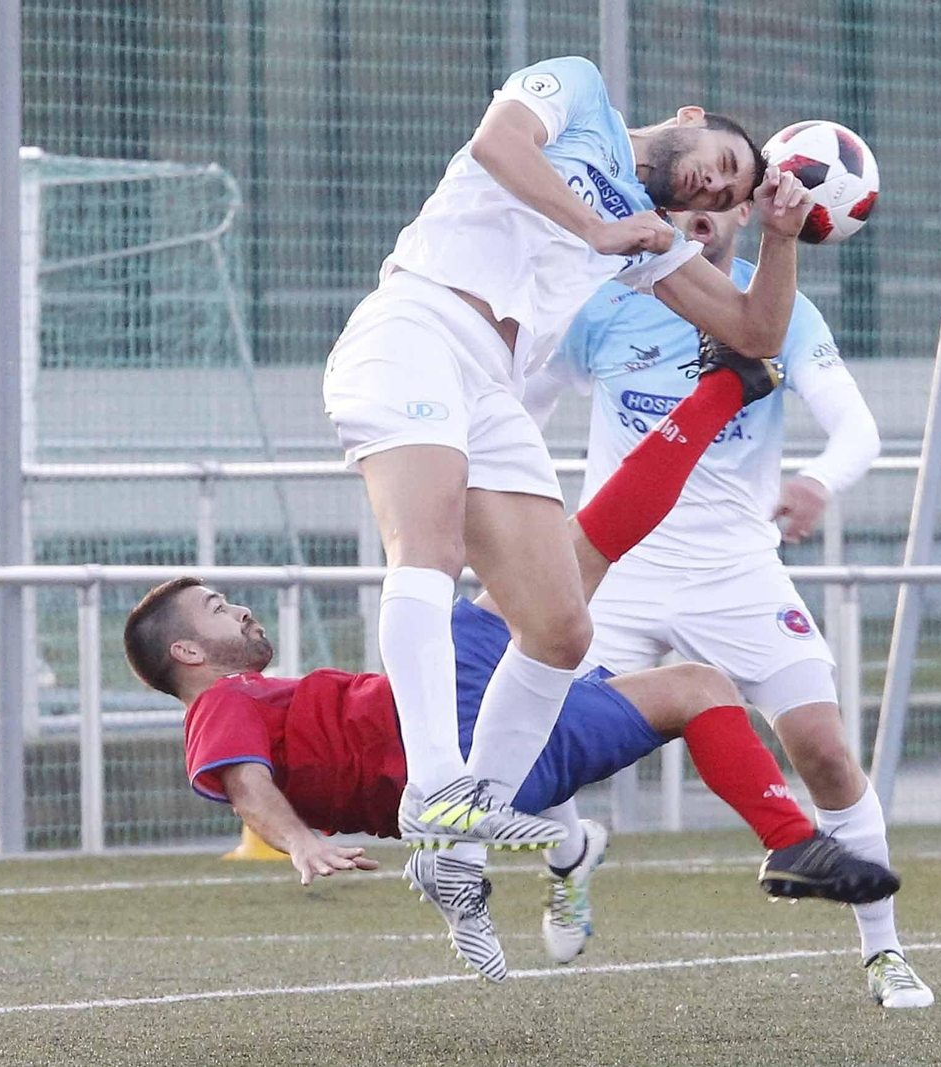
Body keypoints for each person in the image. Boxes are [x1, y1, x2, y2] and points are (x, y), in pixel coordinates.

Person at [122, 375, 898, 983]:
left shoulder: (254, 697)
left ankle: (791, 842)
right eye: (219, 610)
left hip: (510, 775)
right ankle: (726, 385)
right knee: (584, 542)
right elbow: (246, 784)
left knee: (698, 686)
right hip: (445, 718)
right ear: (189, 654)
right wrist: (296, 843)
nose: (242, 613)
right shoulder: (221, 703)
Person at [320, 51, 813, 893]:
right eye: (722, 166)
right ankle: (436, 785)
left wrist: (778, 235)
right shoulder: (579, 90)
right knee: (428, 551)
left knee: (559, 628)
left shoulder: (642, 223)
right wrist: (596, 231)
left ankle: (460, 839)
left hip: (491, 379)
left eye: (724, 199)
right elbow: (496, 147)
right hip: (417, 322)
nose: (710, 189)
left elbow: (754, 331)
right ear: (692, 116)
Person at [526, 201, 934, 1009]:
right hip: (620, 567)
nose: (698, 214)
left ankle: (885, 952)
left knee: (821, 745)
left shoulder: (777, 307)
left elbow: (858, 429)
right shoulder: (605, 301)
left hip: (737, 570)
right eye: (681, 197)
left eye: (719, 196)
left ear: (748, 209)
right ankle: (570, 854)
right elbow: (522, 401)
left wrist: (819, 479)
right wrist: (518, 508)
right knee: (535, 741)